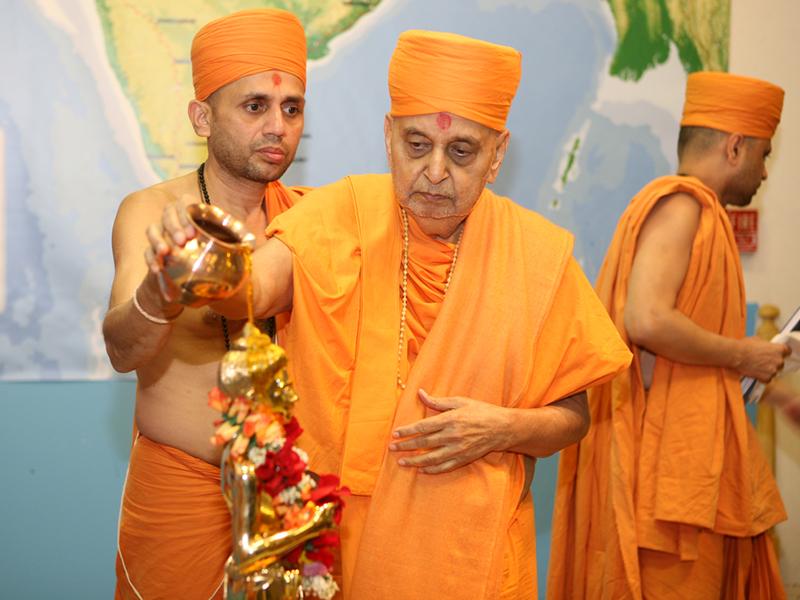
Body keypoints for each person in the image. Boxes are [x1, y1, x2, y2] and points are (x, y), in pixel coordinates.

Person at [150, 30, 632, 598]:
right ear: (388, 136)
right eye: (416, 144)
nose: (435, 171)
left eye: (461, 152)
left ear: (497, 155)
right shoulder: (341, 213)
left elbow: (573, 415)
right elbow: (253, 288)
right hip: (335, 552)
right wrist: (202, 262)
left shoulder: (536, 255)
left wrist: (503, 428)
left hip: (472, 555)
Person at [548, 72, 791, 599]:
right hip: (664, 484)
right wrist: (744, 355)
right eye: (764, 154)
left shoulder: (700, 213)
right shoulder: (682, 206)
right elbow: (648, 320)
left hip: (687, 470)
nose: (764, 172)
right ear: (735, 147)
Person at [101, 9, 308, 599]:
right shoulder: (150, 212)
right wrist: (161, 289)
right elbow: (121, 350)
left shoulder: (309, 219)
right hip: (179, 495)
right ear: (202, 117)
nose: (277, 126)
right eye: (255, 106)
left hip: (284, 495)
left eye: (292, 108)